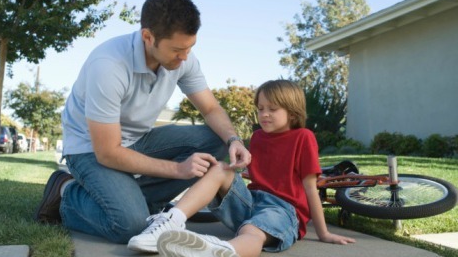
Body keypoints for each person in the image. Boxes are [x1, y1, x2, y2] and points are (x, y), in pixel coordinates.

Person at [33, 0, 251, 244]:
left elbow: (211, 109)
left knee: (216, 139)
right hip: (90, 149)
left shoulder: (183, 59)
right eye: (177, 50)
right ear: (148, 37)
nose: (184, 58)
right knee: (131, 225)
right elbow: (108, 152)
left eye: (190, 48)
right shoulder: (108, 65)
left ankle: (139, 201)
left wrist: (234, 140)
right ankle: (67, 192)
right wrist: (178, 170)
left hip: (139, 139)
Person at [127, 80, 356, 256]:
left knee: (253, 231)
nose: (264, 114)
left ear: (293, 113)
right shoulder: (256, 137)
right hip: (251, 202)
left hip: (284, 211)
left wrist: (323, 232)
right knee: (221, 168)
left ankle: (224, 250)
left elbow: (310, 188)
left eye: (272, 109)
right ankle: (170, 221)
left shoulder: (303, 137)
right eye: (260, 108)